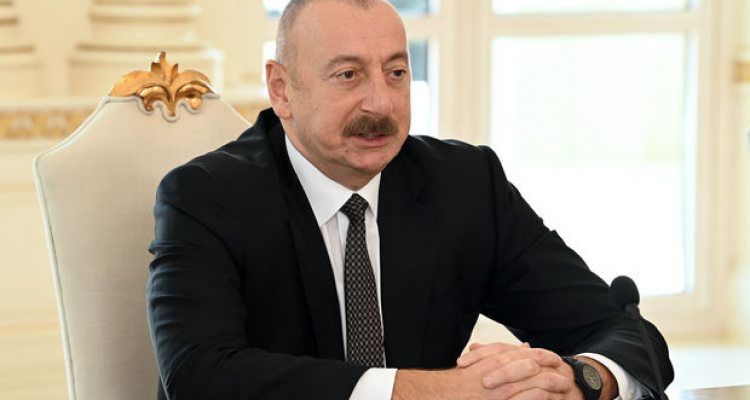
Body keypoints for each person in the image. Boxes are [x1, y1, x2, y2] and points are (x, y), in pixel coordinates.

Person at [146, 0, 674, 399]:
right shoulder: (206, 197)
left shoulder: (465, 184)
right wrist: (438, 391)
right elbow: (200, 376)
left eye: (396, 73)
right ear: (281, 89)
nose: (381, 104)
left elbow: (620, 330)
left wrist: (580, 379)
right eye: (348, 75)